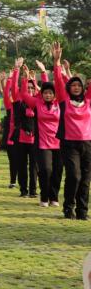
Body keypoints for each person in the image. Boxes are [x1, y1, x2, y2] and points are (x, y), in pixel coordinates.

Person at [52, 42, 91, 220]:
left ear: (83, 88)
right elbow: (59, 81)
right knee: (74, 176)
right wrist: (57, 62)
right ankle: (69, 208)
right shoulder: (63, 101)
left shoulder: (88, 101)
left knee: (85, 179)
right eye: (73, 85)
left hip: (88, 144)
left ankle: (83, 211)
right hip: (69, 144)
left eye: (79, 85)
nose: (76, 87)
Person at [19, 62, 62, 207]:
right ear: (42, 94)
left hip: (59, 143)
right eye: (45, 93)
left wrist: (45, 71)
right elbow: (24, 94)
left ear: (54, 94)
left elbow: (59, 84)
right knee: (45, 170)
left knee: (57, 171)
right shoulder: (37, 103)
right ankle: (44, 197)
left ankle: (54, 197)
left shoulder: (60, 104)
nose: (48, 94)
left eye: (50, 92)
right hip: (43, 143)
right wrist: (25, 78)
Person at [11, 58, 38, 197]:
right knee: (22, 166)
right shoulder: (18, 100)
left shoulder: (38, 102)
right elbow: (15, 87)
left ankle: (33, 191)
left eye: (32, 88)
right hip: (20, 139)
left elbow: (45, 91)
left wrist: (31, 78)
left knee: (34, 166)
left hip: (35, 140)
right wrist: (17, 69)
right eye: (27, 88)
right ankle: (23, 190)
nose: (30, 90)